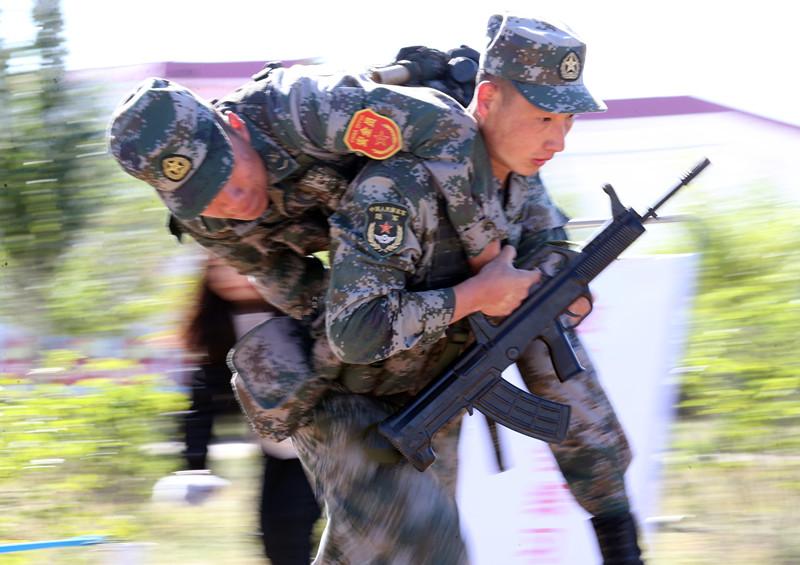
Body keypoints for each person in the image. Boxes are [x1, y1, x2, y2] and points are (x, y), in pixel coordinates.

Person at [317, 14, 643, 565]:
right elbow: (355, 331)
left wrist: (559, 283)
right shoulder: (397, 186)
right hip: (366, 404)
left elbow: (548, 241)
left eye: (568, 120)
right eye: (544, 117)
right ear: (487, 99)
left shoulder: (520, 177)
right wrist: (476, 297)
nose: (558, 140)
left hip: (438, 388)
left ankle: (622, 543)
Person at [107, 64, 507, 327]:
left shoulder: (305, 109)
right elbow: (278, 276)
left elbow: (448, 125)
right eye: (205, 195)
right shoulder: (201, 217)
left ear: (236, 127)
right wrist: (362, 326)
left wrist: (483, 252)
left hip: (473, 197)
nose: (231, 200)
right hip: (391, 265)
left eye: (225, 174)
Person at [181, 256, 321, 564]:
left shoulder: (304, 309)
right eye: (217, 267)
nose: (229, 275)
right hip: (277, 454)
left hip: (327, 447)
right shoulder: (218, 327)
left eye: (235, 262)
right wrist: (195, 464)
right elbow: (203, 403)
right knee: (276, 541)